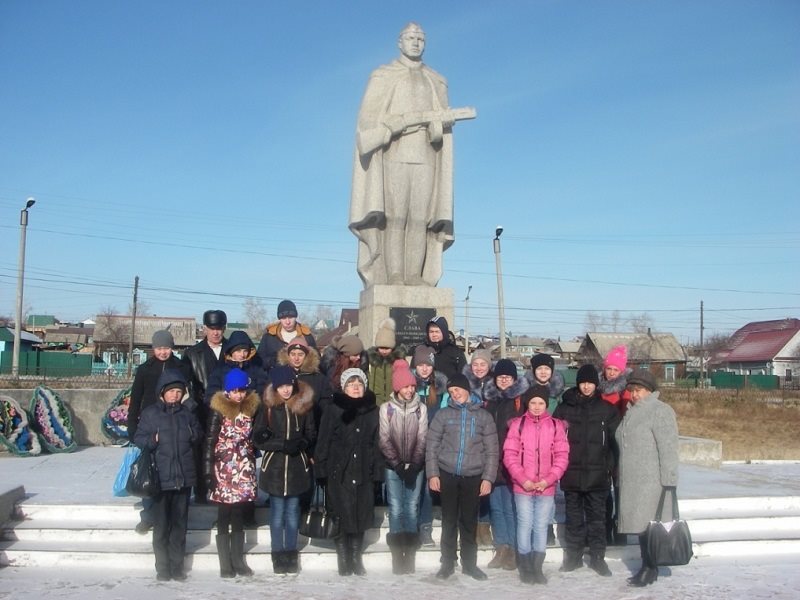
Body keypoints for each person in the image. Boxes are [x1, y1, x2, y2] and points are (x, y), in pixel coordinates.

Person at [350, 22, 474, 287]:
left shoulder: (437, 80)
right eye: (410, 37)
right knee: (396, 218)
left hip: (426, 158)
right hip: (394, 155)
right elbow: (367, 123)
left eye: (420, 38)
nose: (416, 42)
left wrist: (436, 127)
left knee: (420, 219)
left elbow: (440, 136)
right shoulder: (383, 75)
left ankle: (415, 277)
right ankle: (394, 274)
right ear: (400, 42)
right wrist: (393, 124)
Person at [426, 373, 498, 581]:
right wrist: (433, 474)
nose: (454, 394)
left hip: (473, 475)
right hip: (447, 474)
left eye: (457, 389)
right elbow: (432, 446)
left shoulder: (483, 416)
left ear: (467, 389)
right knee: (449, 521)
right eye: (450, 392)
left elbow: (492, 450)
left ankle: (470, 564)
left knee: (469, 521)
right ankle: (447, 563)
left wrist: (488, 478)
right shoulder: (443, 415)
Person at [133, 369, 203, 582]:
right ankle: (162, 567)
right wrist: (151, 441)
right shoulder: (151, 413)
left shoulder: (188, 414)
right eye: (171, 391)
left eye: (178, 391)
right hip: (161, 479)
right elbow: (139, 437)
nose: (175, 395)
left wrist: (193, 434)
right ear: (162, 392)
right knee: (162, 526)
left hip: (183, 478)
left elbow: (199, 435)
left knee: (179, 526)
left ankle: (177, 567)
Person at [553, 364, 621, 576]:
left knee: (597, 519)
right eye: (583, 382)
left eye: (590, 383)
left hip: (598, 475)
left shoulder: (606, 410)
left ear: (596, 384)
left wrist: (609, 467)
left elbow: (614, 443)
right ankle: (573, 556)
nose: (586, 387)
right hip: (571, 473)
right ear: (578, 383)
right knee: (573, 517)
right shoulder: (565, 408)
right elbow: (554, 438)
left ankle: (598, 557)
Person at [314, 368, 382, 576]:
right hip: (339, 471)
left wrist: (377, 472)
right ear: (343, 388)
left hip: (363, 469)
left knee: (360, 514)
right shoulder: (333, 410)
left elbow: (377, 442)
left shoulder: (372, 411)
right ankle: (343, 558)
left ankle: (355, 556)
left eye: (359, 383)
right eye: (351, 384)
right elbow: (323, 440)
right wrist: (321, 469)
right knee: (340, 514)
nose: (355, 387)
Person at [616, 369, 679, 588]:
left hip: (652, 481)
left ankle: (650, 567)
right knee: (642, 526)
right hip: (632, 480)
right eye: (631, 390)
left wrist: (669, 480)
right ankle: (647, 565)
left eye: (639, 390)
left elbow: (668, 447)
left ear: (650, 391)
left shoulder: (660, 411)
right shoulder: (631, 411)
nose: (634, 394)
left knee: (649, 526)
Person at [503, 384, 569, 585]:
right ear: (527, 403)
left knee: (540, 526)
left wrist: (548, 480)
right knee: (524, 524)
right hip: (523, 486)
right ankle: (525, 566)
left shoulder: (556, 426)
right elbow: (510, 455)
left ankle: (537, 566)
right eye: (533, 402)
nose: (537, 406)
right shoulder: (518, 425)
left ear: (546, 404)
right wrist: (523, 479)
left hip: (545, 487)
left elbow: (562, 456)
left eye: (541, 403)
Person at [128, 330, 192, 534]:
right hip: (151, 425)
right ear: (153, 349)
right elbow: (135, 400)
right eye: (159, 348)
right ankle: (148, 516)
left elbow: (189, 396)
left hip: (176, 425)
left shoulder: (181, 367)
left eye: (166, 348)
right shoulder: (145, 369)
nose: (163, 352)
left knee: (172, 473)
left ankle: (173, 518)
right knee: (150, 473)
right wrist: (132, 428)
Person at [253, 365, 316, 575]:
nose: (286, 390)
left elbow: (311, 433)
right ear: (275, 387)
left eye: (289, 385)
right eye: (281, 386)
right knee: (277, 514)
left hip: (297, 466)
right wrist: (281, 444)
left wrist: (301, 444)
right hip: (275, 469)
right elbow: (259, 437)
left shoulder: (304, 406)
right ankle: (277, 553)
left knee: (292, 513)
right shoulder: (269, 407)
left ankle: (290, 552)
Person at [203, 368, 260, 578]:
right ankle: (225, 562)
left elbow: (254, 437)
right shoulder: (219, 411)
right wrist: (208, 472)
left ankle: (238, 560)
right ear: (227, 392)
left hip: (243, 467)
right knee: (224, 514)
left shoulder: (249, 411)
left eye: (242, 391)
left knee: (238, 514)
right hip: (224, 467)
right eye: (234, 391)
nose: (238, 395)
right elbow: (209, 441)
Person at [379, 360, 427, 574]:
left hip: (415, 467)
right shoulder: (386, 409)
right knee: (396, 508)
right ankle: (398, 554)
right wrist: (398, 465)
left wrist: (415, 465)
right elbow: (384, 439)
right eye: (406, 386)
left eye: (412, 386)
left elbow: (423, 438)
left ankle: (410, 551)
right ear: (397, 388)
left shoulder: (421, 409)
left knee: (412, 507)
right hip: (393, 467)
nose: (410, 390)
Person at [484, 358, 530, 571]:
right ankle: (501, 546)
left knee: (511, 508)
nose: (503, 380)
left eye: (507, 377)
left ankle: (512, 548)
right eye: (500, 377)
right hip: (492, 461)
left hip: (512, 462)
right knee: (496, 507)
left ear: (514, 379)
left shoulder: (520, 401)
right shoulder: (489, 401)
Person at [182, 309, 228, 503]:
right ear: (205, 328)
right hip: (202, 410)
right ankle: (201, 491)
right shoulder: (193, 354)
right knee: (201, 451)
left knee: (226, 451)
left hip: (229, 410)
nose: (216, 333)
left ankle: (225, 489)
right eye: (212, 328)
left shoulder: (232, 350)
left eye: (219, 328)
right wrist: (192, 405)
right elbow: (185, 383)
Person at [525, 352, 565, 545]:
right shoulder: (525, 392)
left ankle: (547, 527)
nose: (543, 372)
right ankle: (531, 527)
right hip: (530, 448)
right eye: (539, 369)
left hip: (549, 449)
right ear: (533, 371)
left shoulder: (557, 395)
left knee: (547, 489)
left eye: (546, 369)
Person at [411, 344, 447, 547]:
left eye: (428, 365)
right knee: (412, 490)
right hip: (411, 447)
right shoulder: (409, 388)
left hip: (432, 448)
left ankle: (425, 528)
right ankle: (410, 526)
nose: (424, 368)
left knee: (426, 490)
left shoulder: (440, 390)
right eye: (421, 365)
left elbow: (442, 418)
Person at [598, 344, 631, 545]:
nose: (611, 373)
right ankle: (605, 527)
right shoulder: (598, 388)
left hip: (618, 443)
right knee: (603, 489)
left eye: (615, 370)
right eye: (608, 369)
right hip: (601, 444)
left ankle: (621, 529)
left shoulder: (625, 391)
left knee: (620, 488)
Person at [256, 300, 317, 372]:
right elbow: (259, 361)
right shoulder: (269, 337)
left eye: (291, 317)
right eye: (284, 318)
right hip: (275, 378)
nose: (287, 322)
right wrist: (275, 362)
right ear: (279, 319)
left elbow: (315, 359)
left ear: (295, 317)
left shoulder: (306, 336)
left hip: (302, 379)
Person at [206, 330, 267, 398]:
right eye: (238, 351)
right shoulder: (220, 370)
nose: (242, 355)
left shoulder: (256, 370)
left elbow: (262, 392)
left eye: (245, 351)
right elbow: (211, 395)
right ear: (231, 352)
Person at [367, 318, 408, 406]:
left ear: (392, 348)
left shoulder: (398, 361)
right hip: (375, 400)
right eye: (381, 348)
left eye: (387, 348)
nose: (384, 351)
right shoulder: (371, 361)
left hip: (394, 400)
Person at [424, 316, 466, 380]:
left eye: (437, 331)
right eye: (431, 332)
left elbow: (463, 377)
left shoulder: (456, 353)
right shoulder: (421, 351)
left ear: (443, 332)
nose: (434, 335)